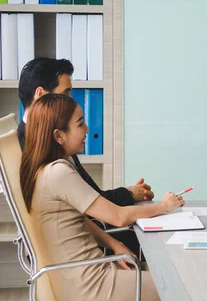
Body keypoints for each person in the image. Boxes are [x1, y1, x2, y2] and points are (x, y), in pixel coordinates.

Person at [19, 94, 185, 301]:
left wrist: (113, 243)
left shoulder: (43, 170)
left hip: (82, 281)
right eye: (80, 124)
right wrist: (165, 206)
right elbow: (118, 217)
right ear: (58, 135)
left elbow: (79, 219)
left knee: (175, 275)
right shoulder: (58, 173)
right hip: (92, 287)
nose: (87, 129)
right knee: (186, 289)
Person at [18, 58, 151, 255]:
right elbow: (97, 208)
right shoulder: (33, 147)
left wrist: (131, 193)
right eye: (66, 92)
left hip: (90, 232)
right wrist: (131, 194)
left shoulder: (49, 138)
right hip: (78, 247)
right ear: (41, 95)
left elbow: (89, 195)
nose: (72, 101)